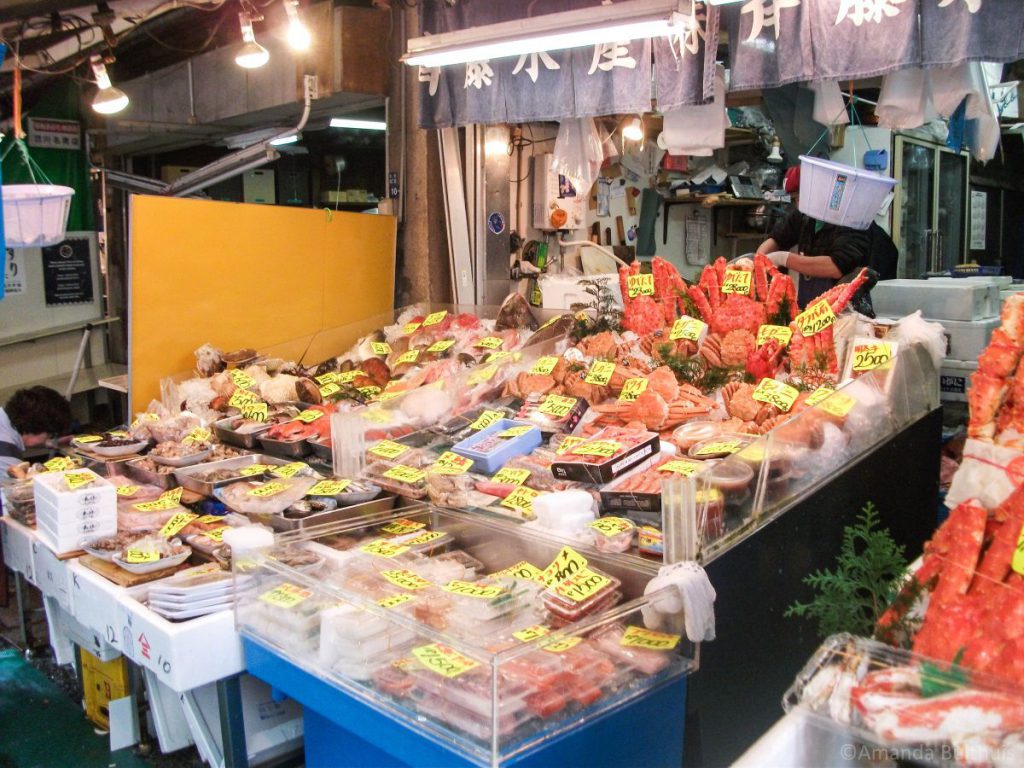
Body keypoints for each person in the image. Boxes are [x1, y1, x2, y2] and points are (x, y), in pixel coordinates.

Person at [756, 166, 872, 308]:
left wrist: (783, 258)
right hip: (811, 310)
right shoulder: (803, 214)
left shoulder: (853, 220)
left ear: (821, 191)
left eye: (801, 196)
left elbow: (836, 267)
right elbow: (778, 238)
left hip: (847, 308)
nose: (798, 203)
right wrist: (758, 260)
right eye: (794, 198)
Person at [0, 386, 73, 474]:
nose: (49, 438)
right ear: (35, 427)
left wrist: (48, 442)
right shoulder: (7, 460)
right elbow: (25, 486)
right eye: (50, 435)